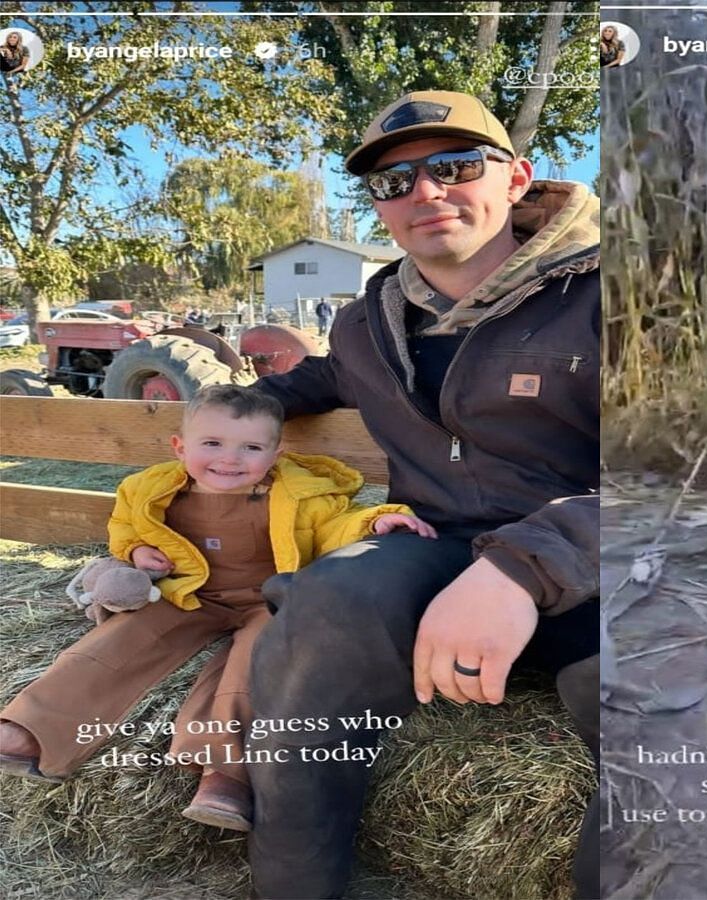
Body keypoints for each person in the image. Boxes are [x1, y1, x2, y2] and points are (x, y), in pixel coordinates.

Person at [246, 89, 600, 898]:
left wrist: (520, 567)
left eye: (454, 166)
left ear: (517, 178)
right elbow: (326, 378)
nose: (425, 192)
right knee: (323, 611)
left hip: (596, 566)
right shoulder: (370, 319)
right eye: (393, 182)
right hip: (433, 548)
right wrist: (250, 406)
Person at [0, 385, 429, 831]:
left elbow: (336, 527)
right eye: (212, 444)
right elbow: (124, 528)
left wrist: (373, 522)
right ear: (179, 447)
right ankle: (34, 727)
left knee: (252, 664)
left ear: (276, 452)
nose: (230, 459)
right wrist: (139, 550)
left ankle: (223, 772)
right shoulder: (150, 491)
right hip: (188, 593)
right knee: (116, 641)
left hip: (268, 598)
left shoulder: (303, 494)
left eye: (251, 447)